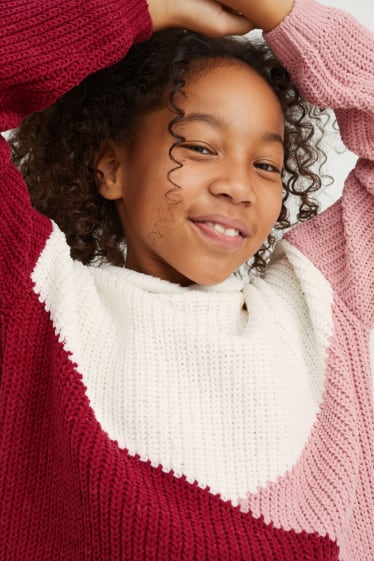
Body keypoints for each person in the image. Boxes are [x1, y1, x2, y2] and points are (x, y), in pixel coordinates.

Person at [0, 0, 373, 560]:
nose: (238, 187)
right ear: (111, 166)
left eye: (266, 165)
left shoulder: (323, 302)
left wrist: (286, 13)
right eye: (200, 147)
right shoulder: (33, 306)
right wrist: (143, 7)